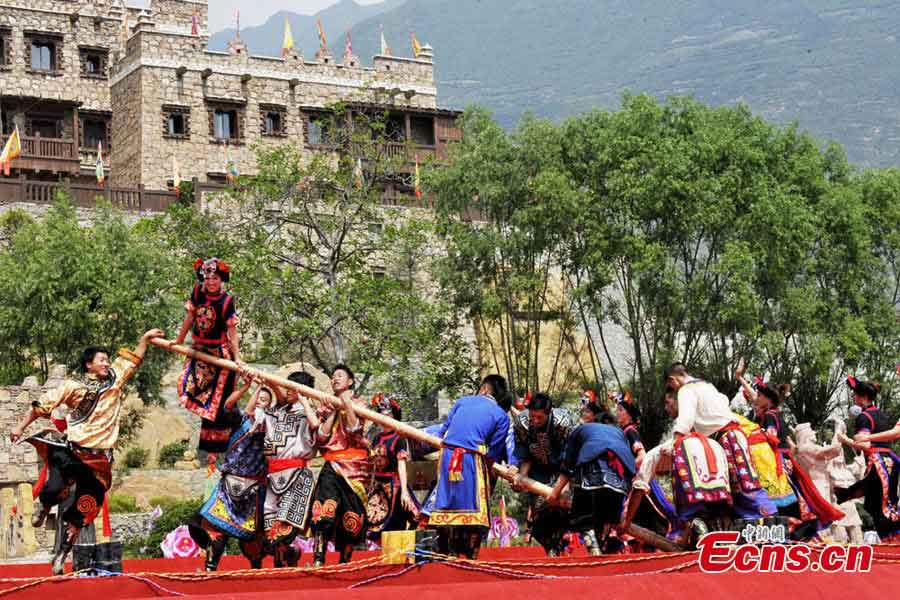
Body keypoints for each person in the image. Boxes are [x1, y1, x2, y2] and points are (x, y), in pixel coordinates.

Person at [10, 329, 165, 574]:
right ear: (88, 365)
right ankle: (45, 505)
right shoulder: (73, 386)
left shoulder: (115, 380)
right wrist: (19, 427)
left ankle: (61, 555)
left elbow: (133, 360)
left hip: (100, 461)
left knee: (84, 509)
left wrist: (144, 340)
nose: (106, 363)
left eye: (106, 359)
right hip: (74, 452)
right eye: (101, 360)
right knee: (53, 488)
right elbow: (42, 407)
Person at [665, 363, 776, 520]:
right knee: (741, 484)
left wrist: (675, 443)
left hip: (727, 439)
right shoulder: (707, 385)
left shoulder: (686, 390)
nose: (674, 390)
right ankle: (757, 524)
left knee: (743, 485)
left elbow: (686, 419)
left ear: (673, 380)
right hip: (734, 435)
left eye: (670, 385)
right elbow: (723, 401)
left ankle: (770, 521)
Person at [623, 390, 731, 547]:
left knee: (694, 513)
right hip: (720, 481)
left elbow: (639, 487)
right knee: (716, 513)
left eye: (668, 403)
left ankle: (699, 531)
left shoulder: (663, 449)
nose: (666, 408)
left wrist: (626, 523)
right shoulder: (713, 442)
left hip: (692, 496)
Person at [428, 374, 517, 559]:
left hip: (446, 456)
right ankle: (469, 556)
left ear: (484, 388)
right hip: (472, 458)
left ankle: (445, 553)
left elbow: (444, 429)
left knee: (447, 503)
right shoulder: (501, 416)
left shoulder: (462, 402)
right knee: (475, 507)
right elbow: (493, 453)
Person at [188, 374, 267, 571]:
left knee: (253, 535)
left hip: (254, 489)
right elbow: (229, 405)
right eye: (257, 398)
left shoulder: (271, 427)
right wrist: (249, 386)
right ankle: (210, 566)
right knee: (214, 526)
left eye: (265, 401)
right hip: (230, 484)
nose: (259, 402)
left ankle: (256, 568)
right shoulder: (240, 421)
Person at [174, 258, 243, 455]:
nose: (211, 281)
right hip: (199, 350)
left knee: (221, 401)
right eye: (208, 277)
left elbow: (232, 332)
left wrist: (237, 358)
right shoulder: (197, 292)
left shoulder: (227, 301)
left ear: (222, 280)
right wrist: (179, 340)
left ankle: (224, 444)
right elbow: (190, 317)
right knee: (187, 386)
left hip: (219, 353)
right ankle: (209, 445)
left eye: (215, 278)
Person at [310, 364, 372, 566]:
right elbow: (321, 437)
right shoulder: (325, 406)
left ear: (350, 382)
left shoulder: (360, 404)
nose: (335, 379)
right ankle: (319, 559)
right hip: (332, 463)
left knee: (351, 515)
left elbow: (355, 431)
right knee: (323, 510)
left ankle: (344, 561)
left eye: (340, 376)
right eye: (333, 376)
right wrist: (332, 413)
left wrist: (347, 405)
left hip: (355, 469)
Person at [546, 420, 635, 553]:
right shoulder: (619, 433)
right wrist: (625, 517)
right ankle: (603, 550)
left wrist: (554, 494)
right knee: (609, 519)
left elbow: (568, 467)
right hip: (621, 477)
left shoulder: (577, 432)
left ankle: (594, 548)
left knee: (582, 518)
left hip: (594, 467)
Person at [260, 371, 321, 567]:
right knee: (269, 518)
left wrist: (304, 400)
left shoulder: (309, 414)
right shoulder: (278, 411)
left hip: (296, 473)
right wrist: (271, 383)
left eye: (291, 388)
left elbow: (316, 426)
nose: (287, 391)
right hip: (273, 473)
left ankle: (287, 555)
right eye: (286, 387)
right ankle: (286, 556)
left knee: (285, 520)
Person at [834, 376, 900, 542]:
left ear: (863, 397)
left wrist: (845, 440)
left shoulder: (864, 417)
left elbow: (864, 444)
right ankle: (889, 538)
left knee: (876, 504)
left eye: (855, 394)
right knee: (883, 502)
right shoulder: (882, 415)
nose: (853, 397)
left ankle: (890, 540)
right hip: (889, 462)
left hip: (878, 464)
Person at [511, 392, 577, 556]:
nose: (535, 421)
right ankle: (550, 549)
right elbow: (524, 454)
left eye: (540, 417)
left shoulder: (563, 422)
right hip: (537, 470)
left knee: (563, 506)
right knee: (540, 512)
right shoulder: (522, 423)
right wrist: (521, 476)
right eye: (533, 416)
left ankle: (561, 544)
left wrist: (563, 487)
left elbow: (569, 458)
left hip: (562, 471)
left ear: (550, 413)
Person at [366, 393, 421, 541]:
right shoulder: (377, 438)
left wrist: (404, 491)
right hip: (378, 486)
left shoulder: (399, 438)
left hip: (394, 484)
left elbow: (401, 465)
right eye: (382, 415)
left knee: (397, 519)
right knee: (374, 521)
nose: (385, 418)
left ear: (394, 416)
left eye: (388, 414)